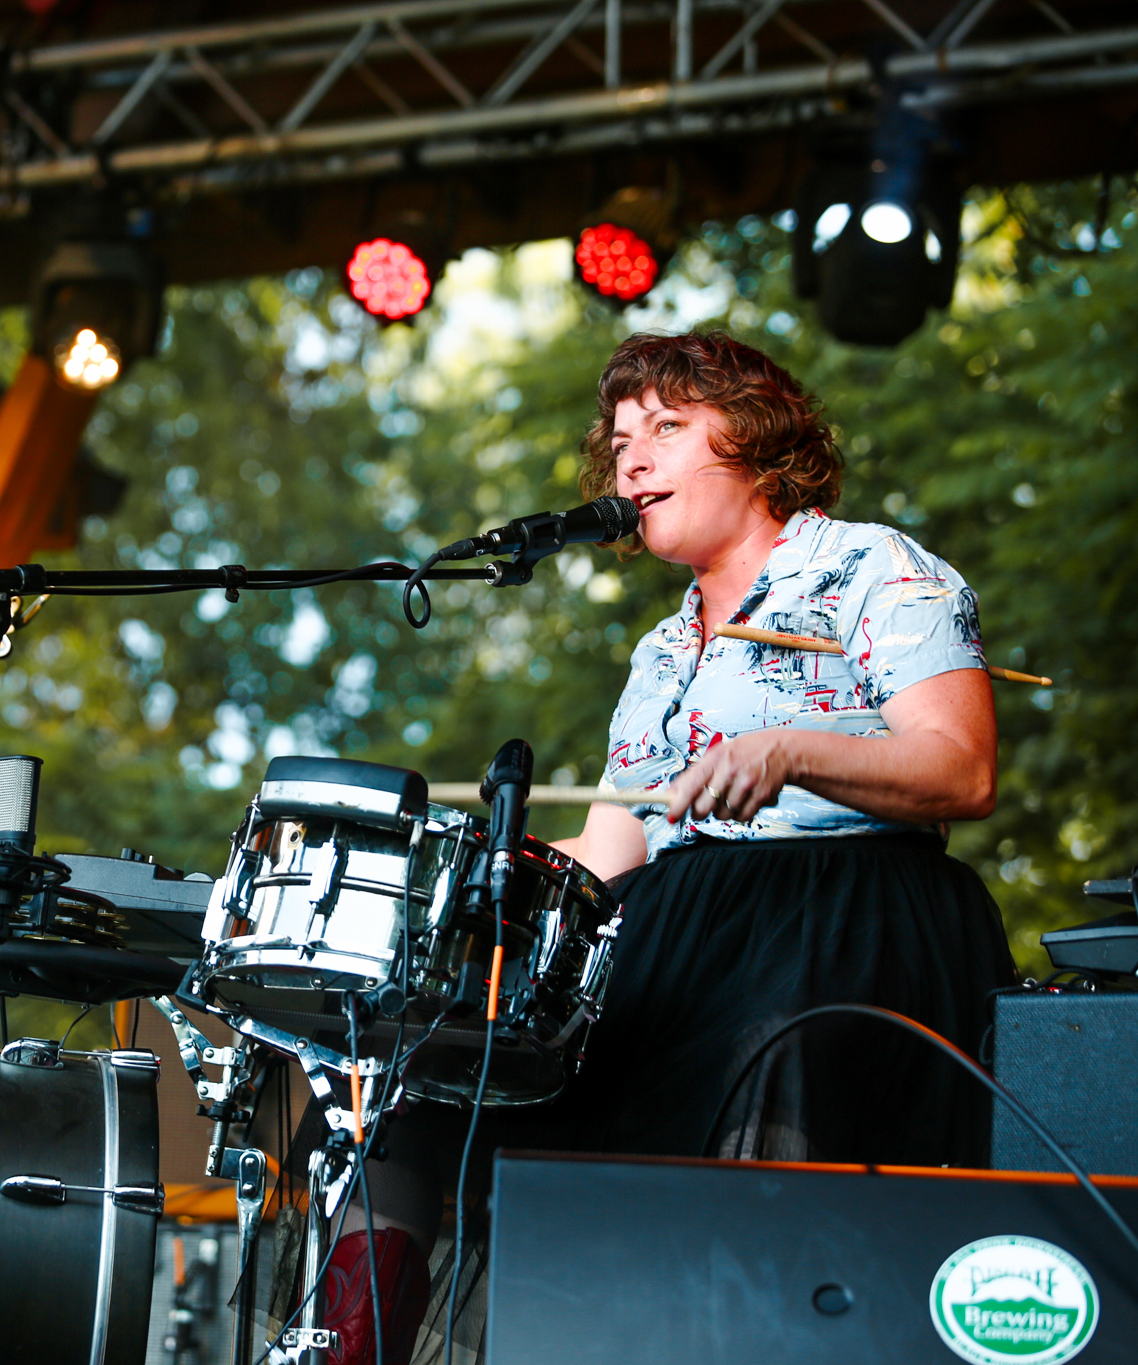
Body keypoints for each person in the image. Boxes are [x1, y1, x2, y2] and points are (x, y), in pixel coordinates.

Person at [314, 331, 1015, 1364]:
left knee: (755, 1101)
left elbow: (959, 771)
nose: (628, 458)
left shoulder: (871, 566)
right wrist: (472, 872)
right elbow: (610, 847)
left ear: (758, 444)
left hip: (837, 916)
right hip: (666, 936)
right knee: (427, 1091)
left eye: (666, 429)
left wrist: (789, 750)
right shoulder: (660, 647)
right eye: (619, 438)